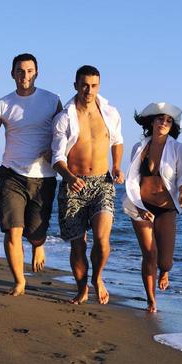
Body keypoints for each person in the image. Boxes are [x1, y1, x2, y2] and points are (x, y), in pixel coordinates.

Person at [0, 53, 63, 296]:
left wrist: (54, 151)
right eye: (19, 71)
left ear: (36, 73)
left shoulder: (52, 100)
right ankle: (19, 281)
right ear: (12, 73)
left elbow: (63, 134)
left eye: (29, 71)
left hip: (44, 176)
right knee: (13, 229)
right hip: (11, 173)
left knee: (36, 231)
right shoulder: (2, 104)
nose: (24, 75)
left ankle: (39, 244)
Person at [49, 65, 124, 305]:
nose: (88, 90)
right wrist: (69, 177)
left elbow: (117, 141)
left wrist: (117, 166)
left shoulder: (110, 113)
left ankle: (98, 278)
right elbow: (57, 157)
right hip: (73, 185)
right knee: (78, 244)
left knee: (103, 239)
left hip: (102, 183)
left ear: (98, 86)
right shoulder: (64, 118)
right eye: (84, 85)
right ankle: (81, 289)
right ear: (75, 85)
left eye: (93, 85)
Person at [121, 102, 182, 314]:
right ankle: (151, 300)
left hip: (166, 208)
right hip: (141, 206)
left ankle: (165, 271)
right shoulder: (139, 147)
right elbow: (132, 180)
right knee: (149, 254)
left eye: (168, 121)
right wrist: (139, 206)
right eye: (160, 119)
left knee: (165, 260)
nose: (164, 123)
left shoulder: (178, 148)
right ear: (152, 122)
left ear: (172, 126)